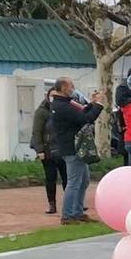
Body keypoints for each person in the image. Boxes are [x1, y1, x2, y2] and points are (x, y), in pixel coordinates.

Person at [45, 77, 105, 224]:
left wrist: (91, 103)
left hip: (75, 148)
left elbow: (82, 112)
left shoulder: (64, 104)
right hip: (73, 148)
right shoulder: (62, 106)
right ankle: (67, 215)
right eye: (71, 86)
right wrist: (98, 105)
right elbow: (86, 119)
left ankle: (77, 212)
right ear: (64, 88)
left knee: (83, 181)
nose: (73, 88)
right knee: (74, 182)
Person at [29, 86, 66, 213]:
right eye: (52, 96)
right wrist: (40, 150)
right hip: (47, 150)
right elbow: (37, 131)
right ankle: (52, 204)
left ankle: (70, 203)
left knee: (67, 177)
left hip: (62, 148)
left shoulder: (62, 109)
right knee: (51, 177)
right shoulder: (41, 111)